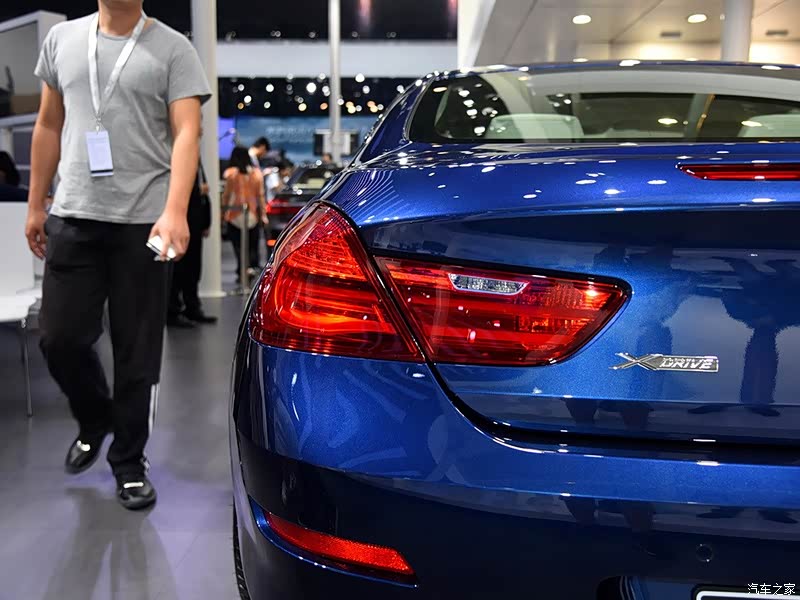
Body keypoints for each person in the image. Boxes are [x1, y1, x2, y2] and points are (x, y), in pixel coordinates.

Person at [26, 0, 211, 510]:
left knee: (138, 352)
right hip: (73, 215)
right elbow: (48, 124)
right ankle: (95, 419)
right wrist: (36, 203)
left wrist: (176, 211)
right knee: (59, 338)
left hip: (144, 222)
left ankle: (128, 461)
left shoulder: (174, 48)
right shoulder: (62, 41)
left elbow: (187, 132)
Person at [167, 156, 216, 328]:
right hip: (184, 221)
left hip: (196, 222)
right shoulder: (178, 158)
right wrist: (197, 190)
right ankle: (173, 311)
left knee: (193, 268)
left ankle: (192, 307)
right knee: (179, 268)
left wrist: (206, 222)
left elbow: (205, 195)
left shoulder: (197, 160)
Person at [223, 146, 263, 282]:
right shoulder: (256, 174)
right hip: (252, 214)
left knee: (238, 246)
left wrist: (222, 212)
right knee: (251, 246)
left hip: (234, 214)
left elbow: (227, 195)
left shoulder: (231, 174)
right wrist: (263, 214)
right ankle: (250, 269)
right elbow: (260, 196)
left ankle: (242, 271)